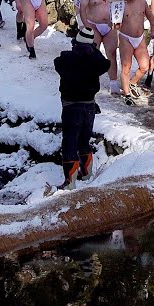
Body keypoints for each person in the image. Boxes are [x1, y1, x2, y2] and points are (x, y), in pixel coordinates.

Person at [54, 27, 109, 187]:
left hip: (71, 106)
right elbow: (105, 63)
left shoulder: (66, 59)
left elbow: (57, 63)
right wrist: (93, 49)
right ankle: (86, 173)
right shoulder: (96, 61)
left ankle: (70, 182)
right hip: (89, 105)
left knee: (70, 142)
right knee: (84, 140)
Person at [78, 0, 121, 87]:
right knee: (92, 53)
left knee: (111, 53)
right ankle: (89, 81)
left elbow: (118, 8)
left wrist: (116, 27)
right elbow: (82, 9)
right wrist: (87, 26)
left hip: (109, 26)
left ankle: (113, 83)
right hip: (93, 25)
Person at [116, 0, 151, 104]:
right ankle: (126, 93)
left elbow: (150, 16)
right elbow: (114, 24)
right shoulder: (120, 5)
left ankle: (132, 82)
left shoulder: (142, 2)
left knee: (145, 66)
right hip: (126, 37)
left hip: (139, 38)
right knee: (126, 66)